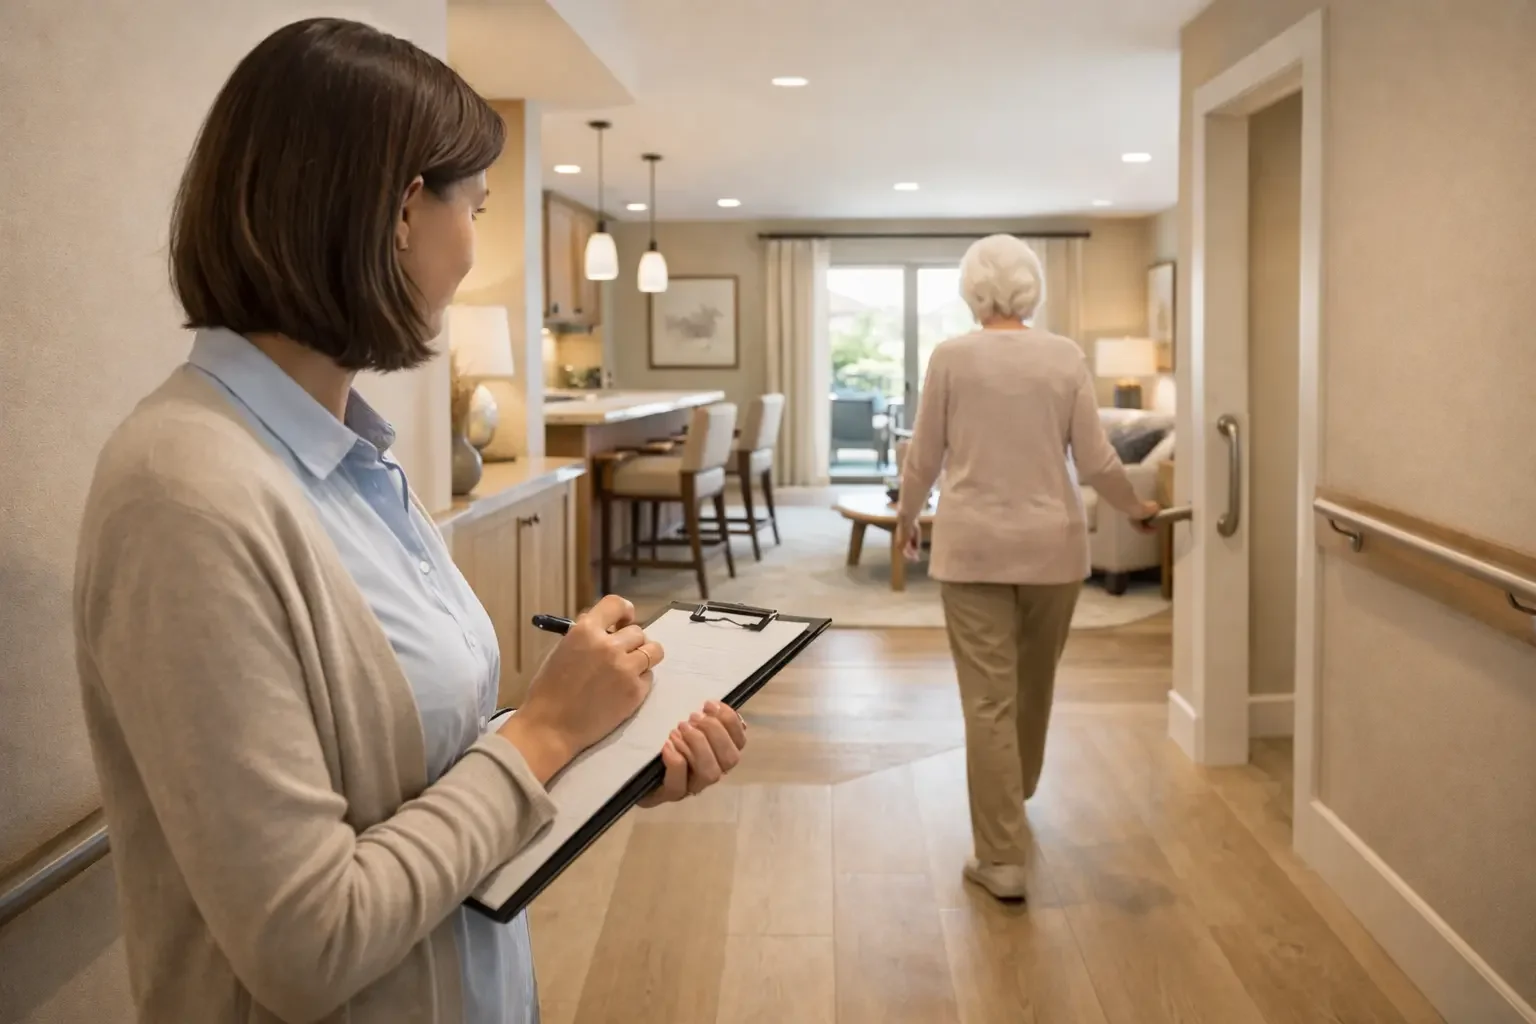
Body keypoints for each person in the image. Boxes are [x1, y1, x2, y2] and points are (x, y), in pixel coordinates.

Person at [71, 18, 745, 1024]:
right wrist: (549, 730)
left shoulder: (353, 459)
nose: (475, 249)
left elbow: (425, 771)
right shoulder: (183, 498)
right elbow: (310, 941)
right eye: (473, 206)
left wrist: (602, 748)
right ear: (398, 215)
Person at [895, 234, 1159, 902]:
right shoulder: (1063, 357)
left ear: (972, 289)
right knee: (1034, 687)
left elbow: (923, 456)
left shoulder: (951, 358)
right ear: (1031, 287)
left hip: (974, 548)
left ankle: (1001, 854)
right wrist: (1136, 508)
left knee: (988, 701)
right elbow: (1098, 462)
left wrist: (905, 516)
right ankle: (1014, 801)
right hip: (1055, 549)